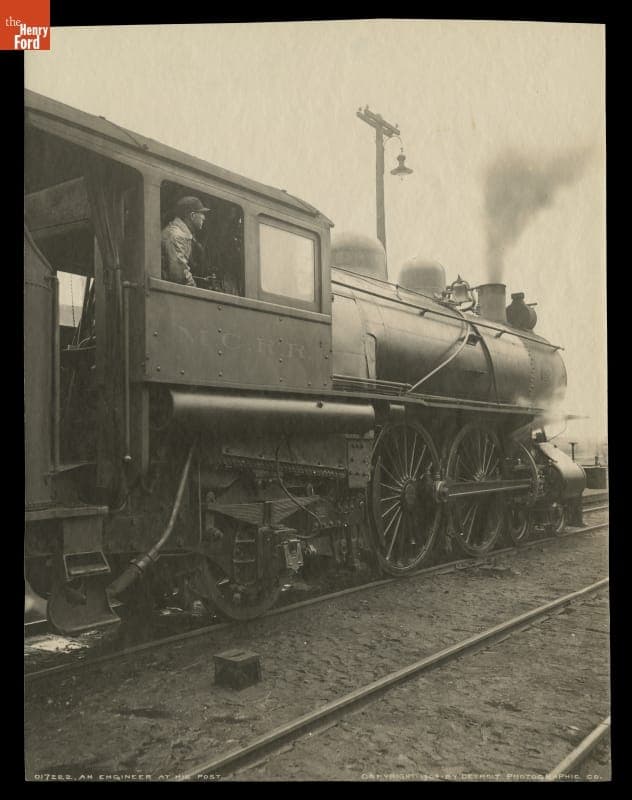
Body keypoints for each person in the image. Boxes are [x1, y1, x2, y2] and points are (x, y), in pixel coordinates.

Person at [161, 196, 210, 287]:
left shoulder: (182, 234)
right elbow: (180, 275)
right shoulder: (177, 236)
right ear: (192, 216)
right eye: (202, 213)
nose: (204, 218)